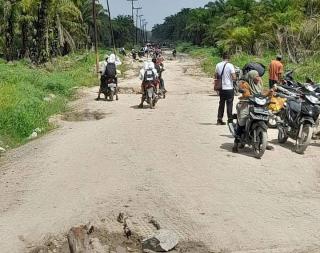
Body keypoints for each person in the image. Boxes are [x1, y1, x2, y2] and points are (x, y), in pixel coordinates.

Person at [233, 70, 274, 152]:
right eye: (256, 76)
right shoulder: (245, 84)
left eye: (258, 76)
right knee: (242, 122)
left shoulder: (259, 83)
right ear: (251, 77)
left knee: (265, 118)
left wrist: (270, 92)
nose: (258, 78)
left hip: (258, 105)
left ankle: (264, 141)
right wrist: (245, 92)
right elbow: (246, 94)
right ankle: (236, 143)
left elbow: (262, 93)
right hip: (246, 104)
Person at [215, 52, 236, 125]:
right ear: (229, 58)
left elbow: (216, 76)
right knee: (229, 104)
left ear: (222, 57)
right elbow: (234, 77)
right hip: (229, 88)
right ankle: (230, 120)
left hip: (221, 88)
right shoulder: (230, 65)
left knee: (221, 103)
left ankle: (219, 119)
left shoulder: (218, 65)